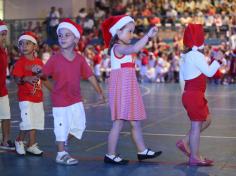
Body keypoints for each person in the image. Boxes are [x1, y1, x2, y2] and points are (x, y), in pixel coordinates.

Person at [32, 18, 105, 165]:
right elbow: (44, 75)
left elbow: (90, 76)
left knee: (79, 126)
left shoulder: (80, 59)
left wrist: (100, 92)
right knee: (62, 126)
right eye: (60, 35)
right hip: (60, 101)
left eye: (67, 35)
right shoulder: (54, 59)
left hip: (76, 99)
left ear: (75, 39)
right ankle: (61, 153)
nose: (63, 38)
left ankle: (62, 143)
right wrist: (38, 71)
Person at [101, 15, 162, 165]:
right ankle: (110, 154)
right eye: (129, 31)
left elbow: (134, 50)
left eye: (132, 31)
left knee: (135, 122)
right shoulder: (118, 47)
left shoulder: (124, 47)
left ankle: (142, 151)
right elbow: (135, 47)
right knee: (119, 122)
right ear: (117, 32)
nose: (131, 34)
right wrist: (148, 36)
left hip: (129, 86)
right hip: (122, 87)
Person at [177, 23, 222, 166]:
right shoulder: (196, 55)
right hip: (194, 94)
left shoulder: (185, 56)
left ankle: (185, 142)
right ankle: (194, 157)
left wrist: (186, 95)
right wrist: (218, 60)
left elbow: (182, 78)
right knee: (196, 126)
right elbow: (209, 72)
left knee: (207, 120)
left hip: (190, 94)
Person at [12, 32, 49, 156]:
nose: (24, 46)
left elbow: (44, 77)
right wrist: (26, 79)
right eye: (21, 44)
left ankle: (31, 145)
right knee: (27, 122)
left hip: (38, 98)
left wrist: (41, 73)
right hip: (25, 97)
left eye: (27, 43)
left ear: (35, 47)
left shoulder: (39, 62)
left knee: (35, 122)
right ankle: (19, 140)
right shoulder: (20, 63)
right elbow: (17, 79)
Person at [0, 21, 15, 150]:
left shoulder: (4, 50)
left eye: (5, 34)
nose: (3, 37)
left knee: (6, 116)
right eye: (1, 34)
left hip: (2, 90)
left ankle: (5, 141)